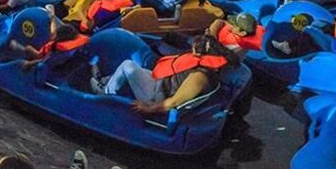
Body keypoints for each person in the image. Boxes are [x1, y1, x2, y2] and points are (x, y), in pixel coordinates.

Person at [93, 35, 235, 114]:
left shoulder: (199, 77)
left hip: (157, 95)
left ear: (200, 54)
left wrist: (149, 108)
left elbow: (174, 102)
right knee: (134, 68)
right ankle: (105, 80)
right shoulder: (211, 66)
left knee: (127, 65)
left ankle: (105, 94)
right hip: (163, 83)